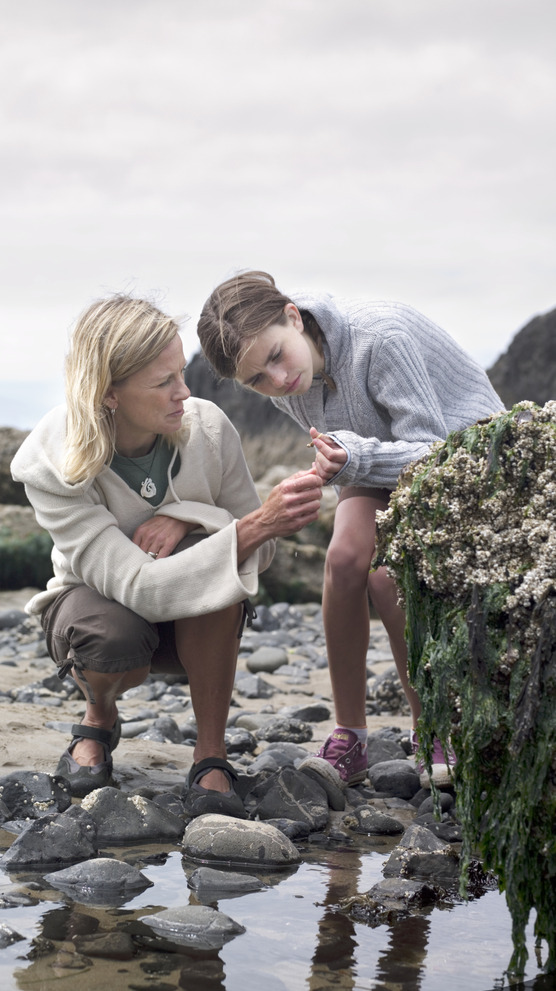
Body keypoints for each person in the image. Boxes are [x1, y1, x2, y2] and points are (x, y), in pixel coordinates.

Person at [11, 294, 323, 816]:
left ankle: (211, 752)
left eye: (182, 373)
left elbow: (261, 553)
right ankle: (99, 713)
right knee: (110, 637)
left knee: (219, 569)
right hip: (102, 608)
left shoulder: (208, 427)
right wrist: (253, 525)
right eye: (164, 383)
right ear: (109, 393)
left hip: (198, 631)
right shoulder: (50, 462)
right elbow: (141, 589)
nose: (185, 393)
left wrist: (193, 517)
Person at [197, 270, 504, 792]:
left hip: (466, 462)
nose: (277, 382)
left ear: (293, 317)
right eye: (256, 380)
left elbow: (432, 451)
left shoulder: (379, 340)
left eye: (276, 357)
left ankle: (433, 725)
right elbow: (355, 454)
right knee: (342, 560)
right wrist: (339, 465)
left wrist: (353, 457)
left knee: (386, 577)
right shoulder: (285, 382)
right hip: (380, 466)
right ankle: (351, 736)